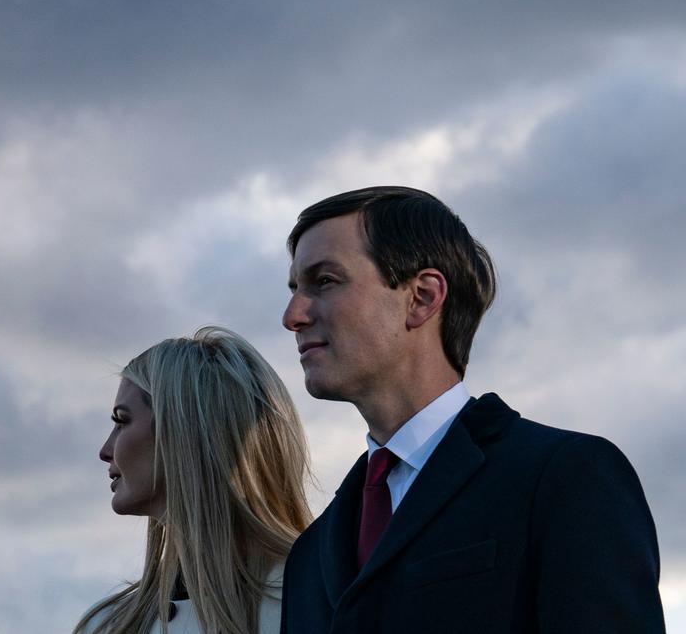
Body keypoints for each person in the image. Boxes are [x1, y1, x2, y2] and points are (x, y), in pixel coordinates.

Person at [280, 186, 664, 632]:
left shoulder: (566, 477)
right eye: (294, 289)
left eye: (324, 281)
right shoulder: (310, 554)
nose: (293, 315)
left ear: (422, 297)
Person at [75, 326, 312, 634]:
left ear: (182, 433)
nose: (105, 451)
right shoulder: (108, 624)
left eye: (122, 421)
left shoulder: (320, 599)